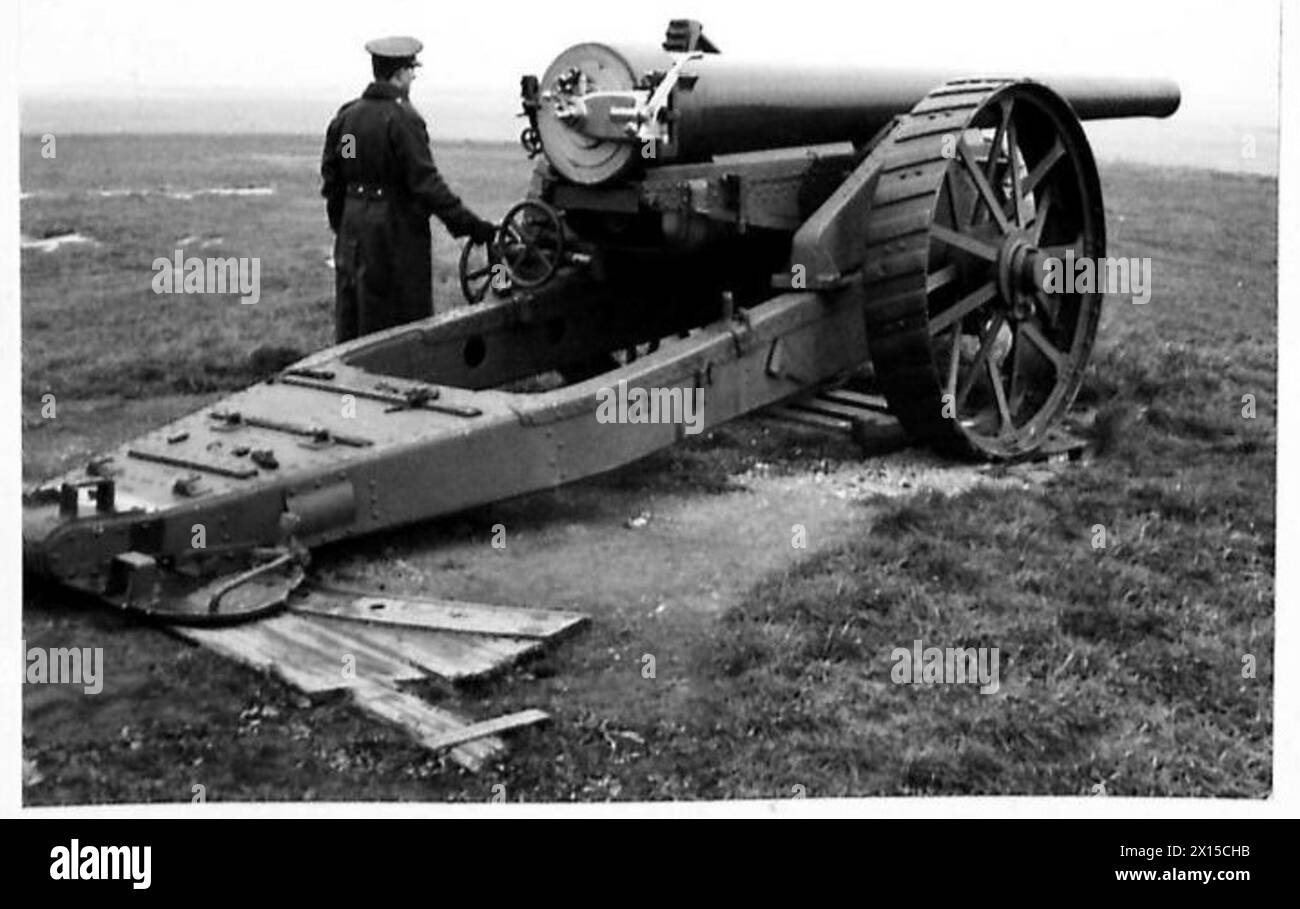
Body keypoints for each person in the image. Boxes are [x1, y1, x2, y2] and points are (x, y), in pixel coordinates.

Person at [321, 36, 496, 343]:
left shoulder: (348, 119)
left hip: (353, 229)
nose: (414, 76)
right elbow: (425, 183)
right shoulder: (403, 119)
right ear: (400, 73)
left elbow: (339, 173)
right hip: (393, 234)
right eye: (412, 70)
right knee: (395, 329)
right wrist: (472, 226)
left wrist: (344, 222)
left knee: (354, 319)